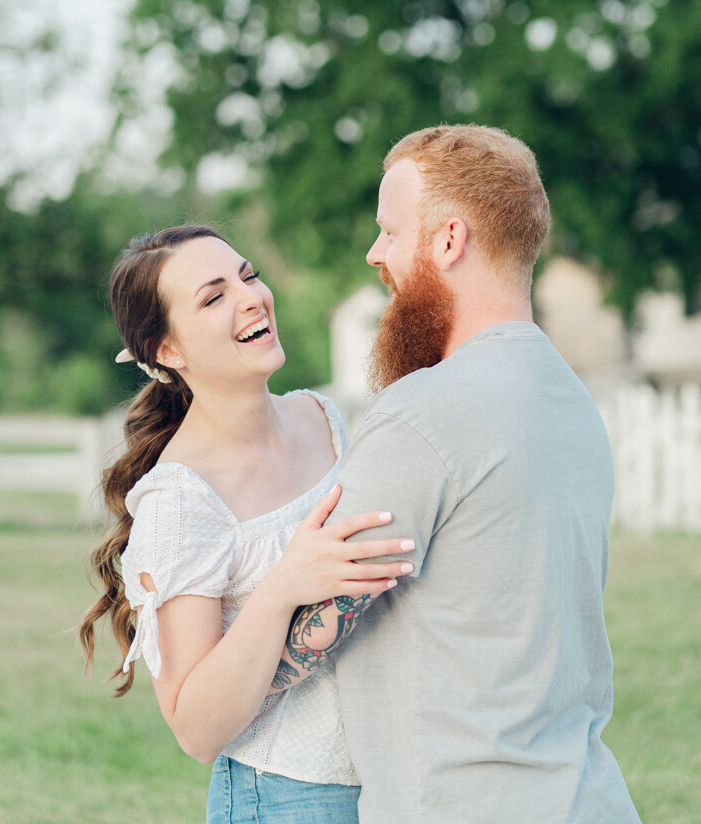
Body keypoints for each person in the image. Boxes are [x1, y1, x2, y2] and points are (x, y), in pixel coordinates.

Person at [268, 125, 641, 824]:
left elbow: (307, 630)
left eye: (389, 231)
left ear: (448, 241)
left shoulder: (423, 413)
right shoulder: (571, 402)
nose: (375, 254)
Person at [78, 224, 416, 824]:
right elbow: (196, 728)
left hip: (395, 774)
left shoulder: (323, 418)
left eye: (248, 275)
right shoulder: (180, 501)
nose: (251, 297)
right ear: (167, 351)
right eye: (212, 297)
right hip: (289, 795)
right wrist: (283, 587)